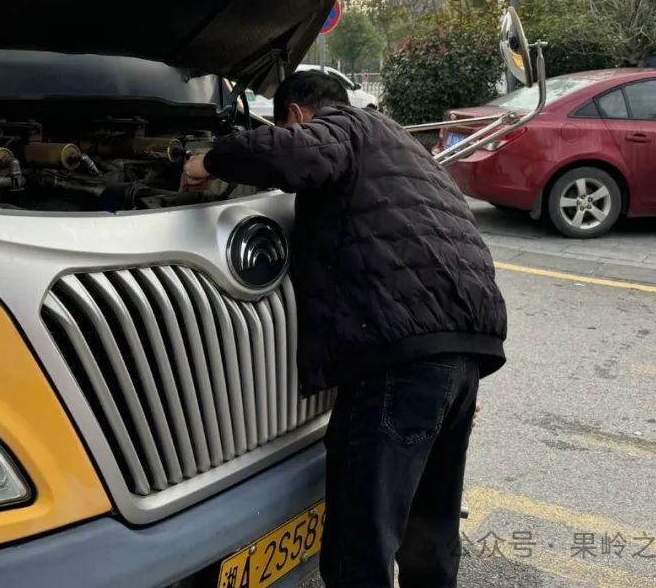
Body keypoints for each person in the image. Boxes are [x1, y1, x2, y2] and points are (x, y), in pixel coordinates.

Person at [182, 70, 506, 588]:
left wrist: (207, 161)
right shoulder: (403, 145)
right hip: (465, 350)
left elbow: (292, 155)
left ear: (295, 115)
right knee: (431, 527)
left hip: (400, 359)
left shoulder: (342, 127)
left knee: (361, 543)